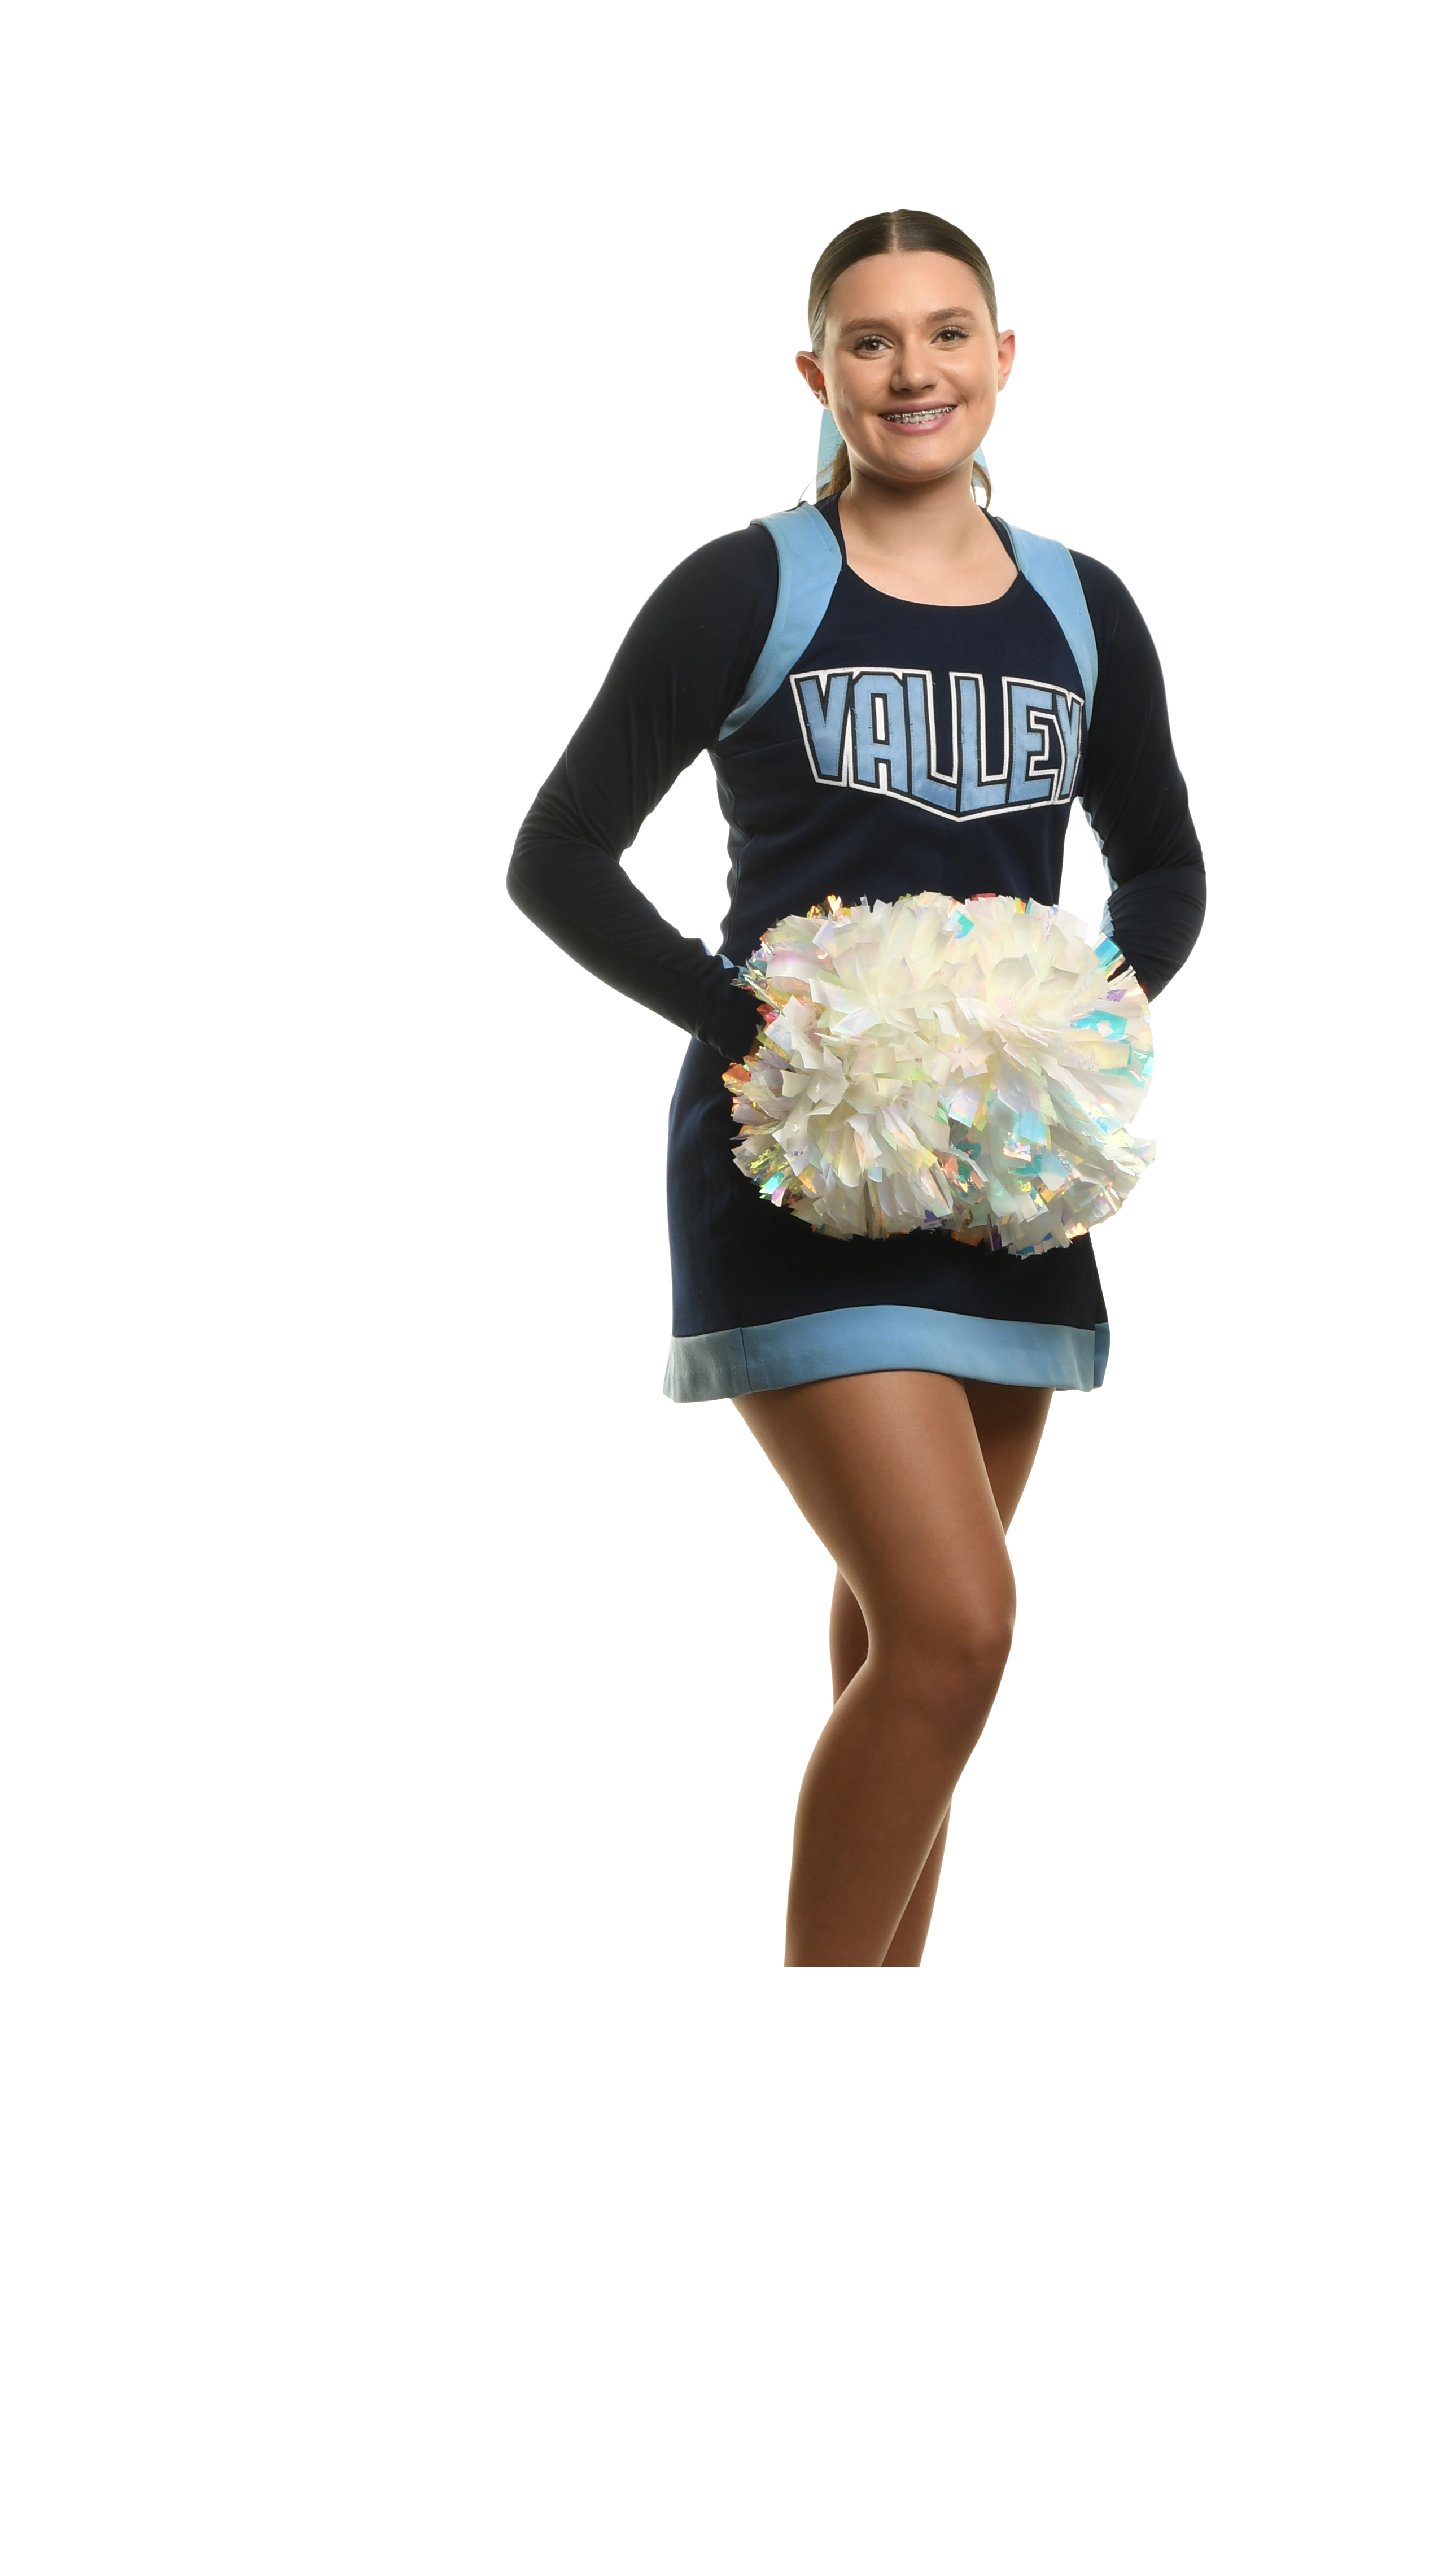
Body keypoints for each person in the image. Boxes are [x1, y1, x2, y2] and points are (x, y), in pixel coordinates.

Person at [506, 207, 1206, 1965]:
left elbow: (1167, 865)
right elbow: (560, 852)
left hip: (1005, 1180)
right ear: (815, 368)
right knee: (961, 1628)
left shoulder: (1080, 604)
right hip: (799, 1167)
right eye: (871, 339)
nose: (914, 372)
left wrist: (1082, 1019)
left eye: (948, 332)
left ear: (1005, 355)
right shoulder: (748, 586)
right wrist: (751, 1024)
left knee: (908, 1652)